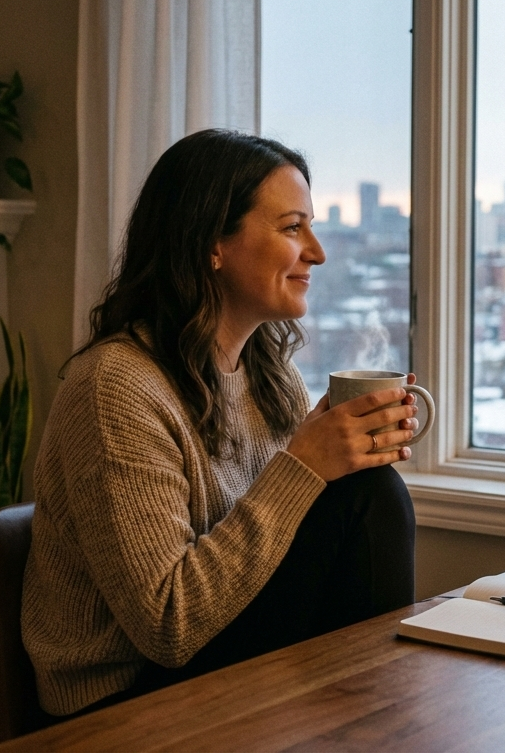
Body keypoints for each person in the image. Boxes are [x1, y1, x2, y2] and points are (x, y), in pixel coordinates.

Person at [21, 129, 419, 717]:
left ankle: (374, 715)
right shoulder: (115, 388)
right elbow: (168, 626)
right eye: (291, 228)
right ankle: (375, 719)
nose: (317, 251)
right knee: (366, 497)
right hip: (123, 698)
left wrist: (339, 457)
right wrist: (304, 467)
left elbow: (289, 544)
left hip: (223, 646)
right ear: (212, 243)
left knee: (367, 487)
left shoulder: (266, 372)